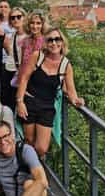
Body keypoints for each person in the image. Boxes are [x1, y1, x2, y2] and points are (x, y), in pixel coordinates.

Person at [16, 28, 84, 158]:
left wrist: (77, 100)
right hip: (29, 102)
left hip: (47, 106)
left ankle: (33, 166)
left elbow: (70, 91)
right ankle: (31, 170)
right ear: (45, 43)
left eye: (57, 39)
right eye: (50, 40)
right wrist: (20, 102)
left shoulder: (66, 65)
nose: (54, 43)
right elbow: (24, 78)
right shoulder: (38, 56)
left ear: (62, 42)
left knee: (41, 148)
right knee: (29, 141)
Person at [1, 7, 27, 112]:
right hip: (10, 73)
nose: (15, 19)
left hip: (23, 75)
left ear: (24, 18)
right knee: (9, 106)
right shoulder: (11, 36)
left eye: (18, 17)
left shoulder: (29, 36)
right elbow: (10, 54)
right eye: (12, 18)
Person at [19, 11, 48, 79]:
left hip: (41, 79)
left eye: (38, 23)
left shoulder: (46, 41)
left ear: (43, 25)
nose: (35, 26)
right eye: (32, 23)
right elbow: (22, 63)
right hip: (26, 78)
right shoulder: (25, 41)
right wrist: (20, 78)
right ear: (28, 24)